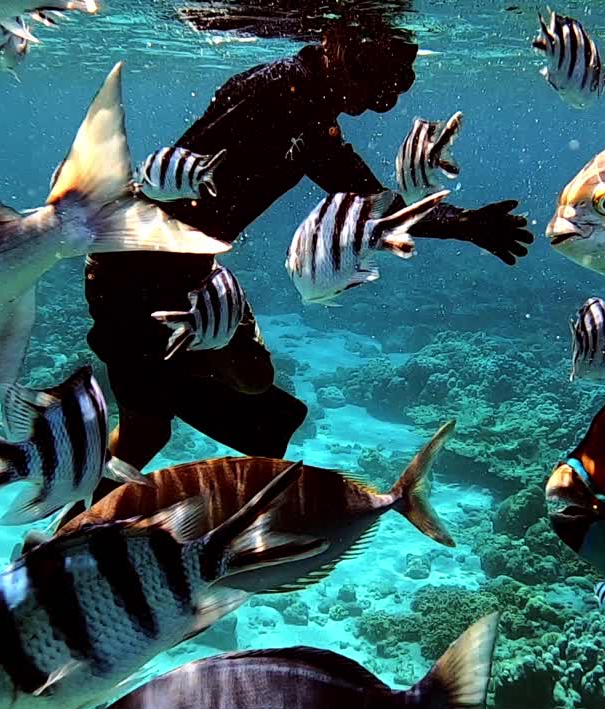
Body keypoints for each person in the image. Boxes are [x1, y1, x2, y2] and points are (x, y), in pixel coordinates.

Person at [83, 17, 534, 489]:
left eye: (392, 78)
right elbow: (175, 177)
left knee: (255, 382)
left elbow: (373, 203)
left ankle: (167, 375)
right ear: (332, 41)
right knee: (147, 432)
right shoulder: (272, 92)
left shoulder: (313, 125)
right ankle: (68, 532)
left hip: (192, 278)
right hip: (130, 272)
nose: (371, 93)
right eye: (369, 67)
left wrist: (463, 223)